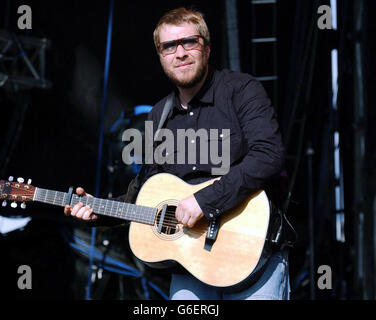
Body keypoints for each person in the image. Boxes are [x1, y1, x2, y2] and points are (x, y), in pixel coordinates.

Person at [64, 7, 290, 300]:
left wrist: (205, 201)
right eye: (169, 46)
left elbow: (269, 155)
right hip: (190, 263)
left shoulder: (241, 90)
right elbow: (143, 196)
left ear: (206, 48)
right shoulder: (158, 116)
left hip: (252, 255)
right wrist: (99, 210)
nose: (180, 52)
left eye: (189, 42)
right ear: (160, 56)